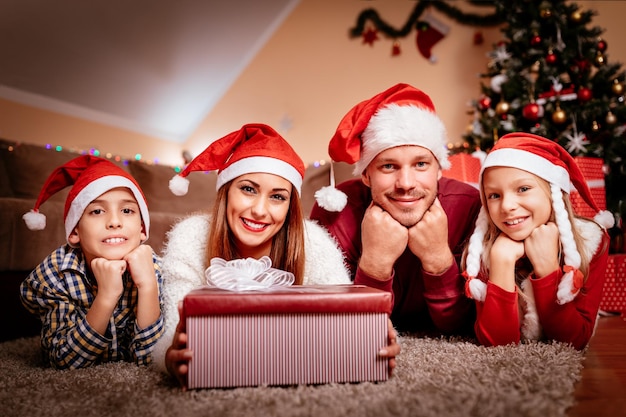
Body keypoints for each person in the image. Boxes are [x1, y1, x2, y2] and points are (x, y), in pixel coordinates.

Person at [152, 123, 399, 387]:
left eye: (277, 197)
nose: (259, 210)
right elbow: (171, 332)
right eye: (248, 189)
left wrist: (378, 336)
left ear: (289, 206)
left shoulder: (313, 240)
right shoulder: (190, 236)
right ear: (225, 192)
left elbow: (347, 311)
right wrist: (170, 357)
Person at [310, 83, 481, 335]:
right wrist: (374, 264)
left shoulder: (468, 205)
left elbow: (458, 328)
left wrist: (438, 259)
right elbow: (348, 328)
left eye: (421, 164)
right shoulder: (336, 210)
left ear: (439, 169)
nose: (406, 184)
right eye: (388, 167)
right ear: (366, 175)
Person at [462, 132, 613, 350]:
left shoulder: (592, 241)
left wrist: (547, 268)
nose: (506, 206)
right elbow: (497, 344)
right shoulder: (482, 250)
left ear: (554, 194)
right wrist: (501, 261)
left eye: (523, 189)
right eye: (494, 195)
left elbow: (574, 341)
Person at [20, 155, 163, 369]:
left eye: (127, 211)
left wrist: (148, 286)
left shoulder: (155, 267)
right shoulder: (56, 274)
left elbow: (152, 359)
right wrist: (106, 297)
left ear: (142, 229)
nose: (115, 222)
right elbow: (61, 360)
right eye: (97, 211)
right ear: (75, 230)